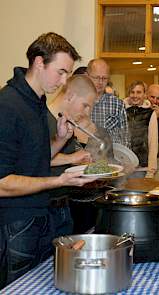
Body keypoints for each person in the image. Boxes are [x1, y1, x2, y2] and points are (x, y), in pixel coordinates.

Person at [0, 32, 97, 288]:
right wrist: (59, 181)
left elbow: (36, 158)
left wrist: (60, 140)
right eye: (61, 72)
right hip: (16, 223)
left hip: (40, 217)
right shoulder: (7, 105)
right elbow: (2, 182)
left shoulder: (37, 101)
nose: (64, 81)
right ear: (39, 62)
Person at [47, 74, 97, 237]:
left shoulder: (65, 123)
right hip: (45, 210)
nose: (86, 113)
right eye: (85, 105)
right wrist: (72, 158)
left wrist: (81, 160)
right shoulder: (42, 120)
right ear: (70, 96)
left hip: (63, 205)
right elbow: (33, 158)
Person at [86, 58, 129, 147]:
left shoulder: (117, 104)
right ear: (87, 76)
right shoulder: (78, 101)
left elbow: (124, 136)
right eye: (97, 77)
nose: (100, 82)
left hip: (110, 157)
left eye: (104, 78)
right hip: (82, 156)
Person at [124, 80, 158, 178]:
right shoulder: (121, 111)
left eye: (139, 92)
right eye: (132, 92)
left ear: (145, 94)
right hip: (124, 167)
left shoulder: (150, 113)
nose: (135, 95)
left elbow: (153, 143)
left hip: (142, 169)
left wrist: (151, 171)